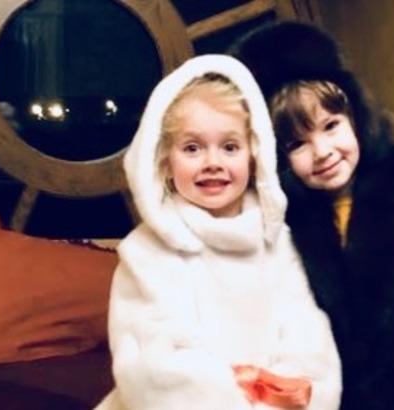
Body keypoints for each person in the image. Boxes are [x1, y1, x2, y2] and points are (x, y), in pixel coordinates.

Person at [230, 21, 394, 410]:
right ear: (277, 159)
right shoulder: (284, 228)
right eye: (298, 144)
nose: (322, 151)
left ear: (358, 119)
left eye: (331, 126)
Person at [95, 54, 341, 410]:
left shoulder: (277, 242)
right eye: (192, 148)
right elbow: (150, 365)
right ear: (165, 161)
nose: (213, 162)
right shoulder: (146, 253)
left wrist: (276, 401)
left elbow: (307, 340)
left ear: (255, 156)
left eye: (230, 147)